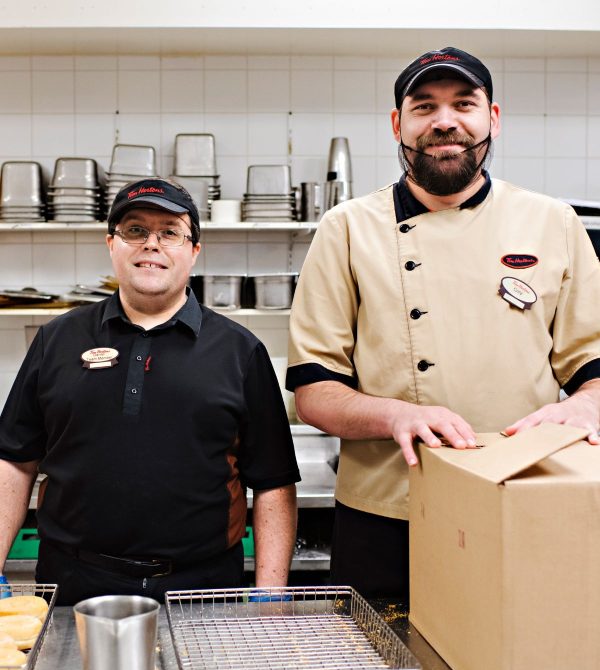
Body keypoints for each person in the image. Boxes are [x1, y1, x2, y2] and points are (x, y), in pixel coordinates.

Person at [286, 47, 600, 601]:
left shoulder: (553, 222)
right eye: (424, 106)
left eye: (463, 103)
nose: (445, 121)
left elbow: (593, 370)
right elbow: (314, 393)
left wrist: (585, 405)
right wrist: (396, 413)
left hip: (518, 497)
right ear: (397, 125)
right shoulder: (347, 228)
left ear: (492, 119)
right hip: (384, 510)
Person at [0, 178, 300, 605]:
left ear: (194, 250)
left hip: (203, 587)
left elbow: (273, 482)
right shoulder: (57, 339)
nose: (151, 244)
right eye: (135, 230)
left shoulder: (240, 350)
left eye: (170, 232)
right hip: (72, 581)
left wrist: (271, 592)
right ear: (111, 244)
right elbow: (14, 459)